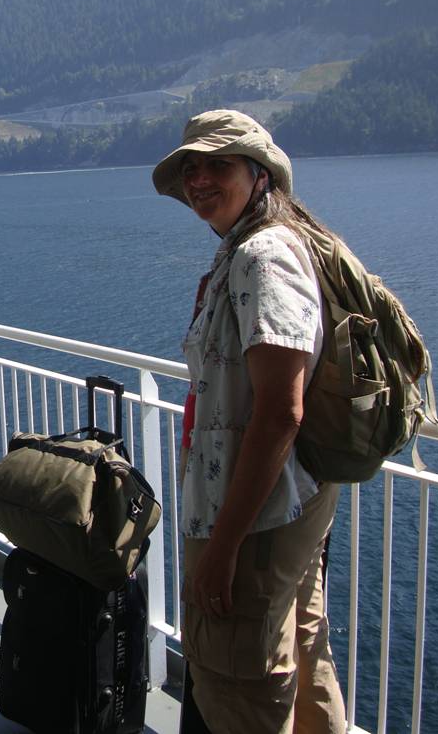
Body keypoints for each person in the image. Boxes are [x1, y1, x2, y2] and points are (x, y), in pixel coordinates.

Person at [152, 109, 345, 733]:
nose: (199, 179)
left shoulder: (263, 255)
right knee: (303, 655)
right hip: (283, 506)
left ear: (260, 175)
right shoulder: (253, 247)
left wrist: (222, 549)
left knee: (242, 684)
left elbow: (280, 410)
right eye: (191, 167)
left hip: (255, 515)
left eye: (218, 164)